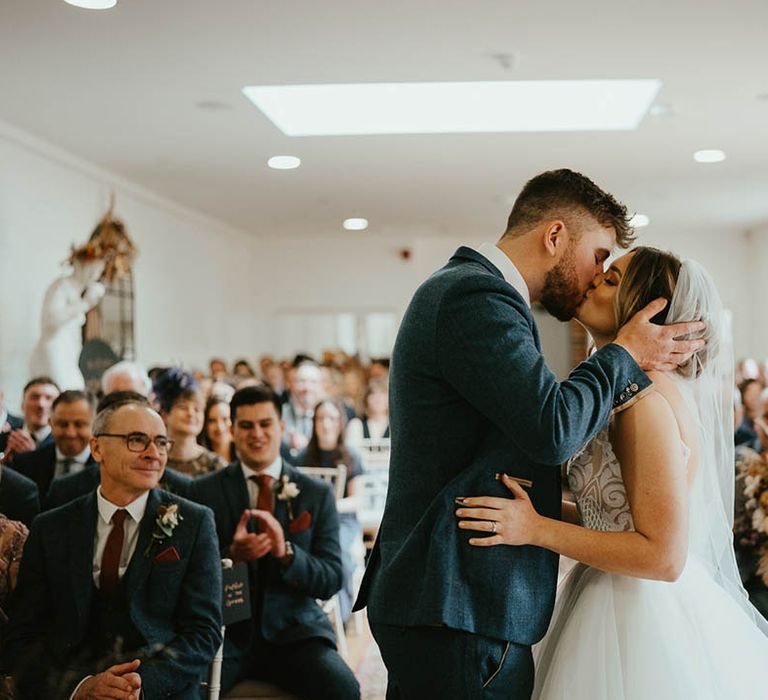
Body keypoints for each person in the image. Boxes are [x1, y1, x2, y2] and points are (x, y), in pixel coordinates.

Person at [353, 169, 705, 700]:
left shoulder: (477, 295)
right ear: (555, 236)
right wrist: (623, 354)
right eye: (599, 256)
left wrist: (538, 521)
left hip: (461, 601)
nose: (596, 274)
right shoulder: (475, 296)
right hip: (456, 601)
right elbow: (552, 429)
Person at [457, 247, 768, 698]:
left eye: (611, 278)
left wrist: (535, 529)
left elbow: (662, 556)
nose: (593, 280)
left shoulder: (645, 399)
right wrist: (539, 511)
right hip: (609, 592)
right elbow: (617, 519)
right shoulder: (622, 388)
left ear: (644, 308)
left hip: (640, 614)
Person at [1, 395, 222, 698]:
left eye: (161, 442)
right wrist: (79, 687)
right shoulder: (51, 527)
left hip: (155, 690)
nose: (153, 453)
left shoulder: (194, 522)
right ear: (97, 448)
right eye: (136, 440)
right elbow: (23, 635)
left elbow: (203, 632)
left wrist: (140, 687)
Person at [190, 385, 360, 699]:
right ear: (232, 430)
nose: (257, 434)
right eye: (246, 425)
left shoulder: (315, 493)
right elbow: (189, 577)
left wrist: (287, 552)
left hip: (296, 634)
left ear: (281, 427)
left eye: (265, 424)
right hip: (226, 637)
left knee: (343, 689)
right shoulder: (203, 492)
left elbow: (331, 578)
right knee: (184, 691)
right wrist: (230, 556)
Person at [297, 399, 364, 622]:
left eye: (332, 419)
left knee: (339, 554)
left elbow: (357, 499)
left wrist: (328, 506)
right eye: (321, 418)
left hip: (342, 521)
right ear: (314, 423)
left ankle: (341, 616)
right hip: (310, 520)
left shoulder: (351, 455)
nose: (326, 424)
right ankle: (304, 612)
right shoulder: (303, 457)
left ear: (340, 423)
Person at [11, 390, 97, 500]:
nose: (70, 433)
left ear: (94, 425)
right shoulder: (25, 465)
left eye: (79, 425)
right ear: (50, 423)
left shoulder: (107, 469)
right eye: (63, 424)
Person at [154, 368, 226, 477]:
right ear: (165, 415)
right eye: (183, 407)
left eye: (197, 409)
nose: (191, 414)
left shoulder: (215, 465)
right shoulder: (154, 460)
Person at [0, 377, 60, 464]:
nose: (41, 404)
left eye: (49, 398)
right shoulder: (5, 438)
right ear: (22, 404)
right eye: (34, 397)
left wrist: (33, 457)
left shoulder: (61, 443)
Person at [345, 380, 390, 449]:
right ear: (365, 399)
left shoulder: (396, 427)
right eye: (373, 394)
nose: (378, 398)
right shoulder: (356, 425)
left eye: (382, 394)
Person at [199, 396, 236, 463]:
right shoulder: (199, 461)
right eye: (212, 421)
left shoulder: (244, 455)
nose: (220, 427)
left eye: (225, 419)